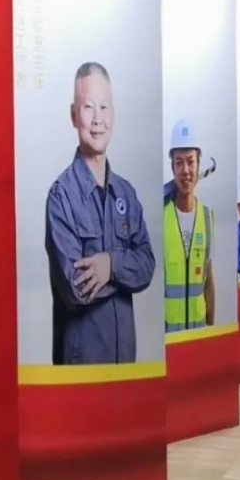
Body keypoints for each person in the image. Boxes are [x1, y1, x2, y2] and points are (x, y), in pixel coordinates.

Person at [45, 62, 155, 364]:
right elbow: (75, 288)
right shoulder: (61, 196)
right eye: (88, 107)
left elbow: (147, 265)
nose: (97, 119)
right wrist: (125, 270)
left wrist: (110, 265)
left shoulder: (126, 193)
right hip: (82, 368)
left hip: (125, 363)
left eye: (104, 107)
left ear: (113, 115)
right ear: (73, 115)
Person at [163, 119, 215, 332]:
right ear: (172, 167)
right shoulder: (161, 216)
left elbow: (208, 282)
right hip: (169, 338)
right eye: (179, 162)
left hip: (198, 337)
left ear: (199, 164)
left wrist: (211, 332)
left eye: (191, 161)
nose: (185, 170)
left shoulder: (208, 217)